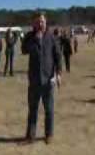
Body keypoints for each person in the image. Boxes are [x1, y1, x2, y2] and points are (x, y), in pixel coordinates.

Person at [21, 12, 62, 145]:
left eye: (42, 22)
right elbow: (24, 50)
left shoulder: (51, 37)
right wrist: (35, 40)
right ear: (33, 23)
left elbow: (58, 56)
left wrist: (58, 73)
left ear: (46, 22)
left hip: (48, 80)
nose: (40, 24)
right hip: (34, 80)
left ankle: (49, 134)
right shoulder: (30, 36)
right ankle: (30, 136)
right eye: (37, 22)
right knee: (32, 110)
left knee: (49, 110)